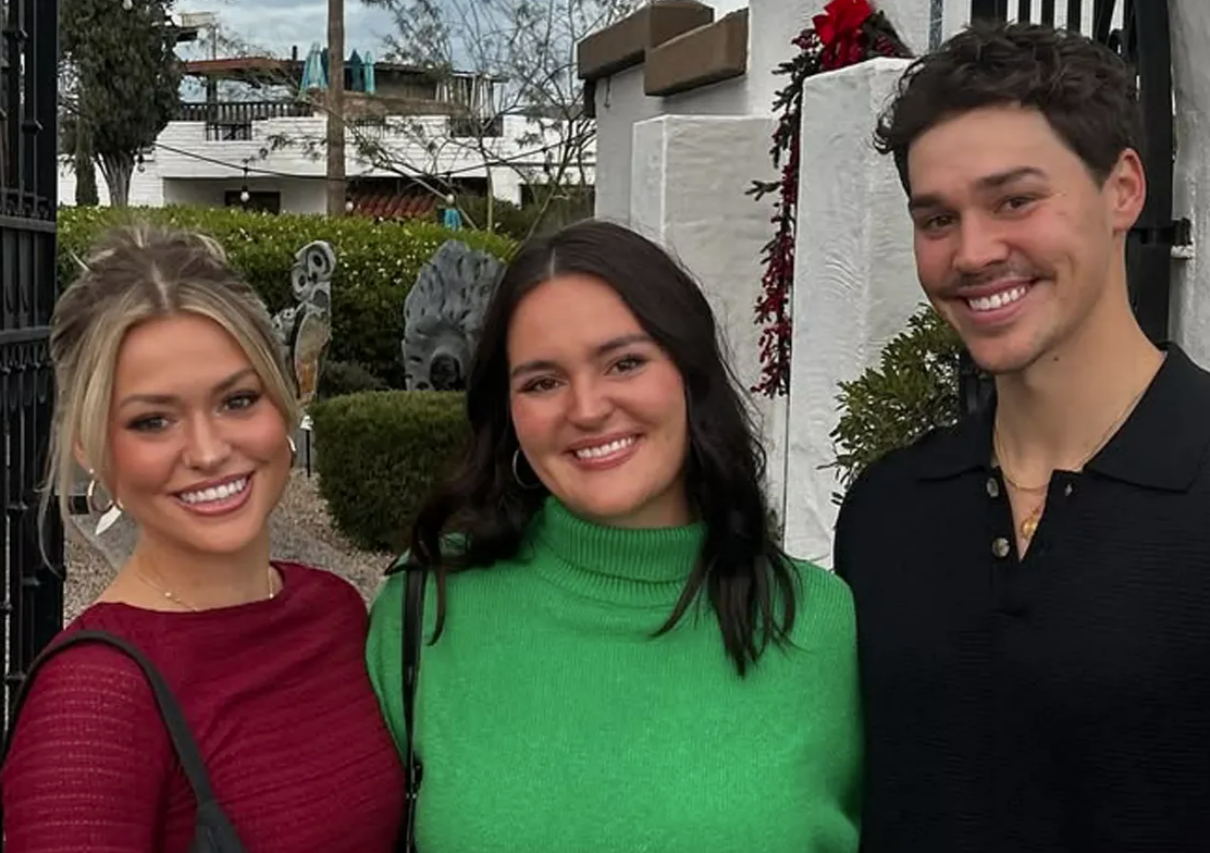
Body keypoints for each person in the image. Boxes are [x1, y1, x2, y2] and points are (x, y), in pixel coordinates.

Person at [366, 220, 862, 852]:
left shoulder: (823, 626)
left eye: (625, 363)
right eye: (542, 382)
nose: (588, 408)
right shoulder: (425, 607)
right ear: (509, 412)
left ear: (688, 373)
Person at [834, 20, 1210, 853]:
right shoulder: (887, 513)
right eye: (938, 218)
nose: (972, 253)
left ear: (1124, 190)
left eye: (1015, 200)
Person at [0, 225, 405, 851]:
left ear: (282, 400)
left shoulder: (335, 612)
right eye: (153, 421)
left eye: (237, 401)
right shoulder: (90, 701)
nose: (209, 451)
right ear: (91, 446)